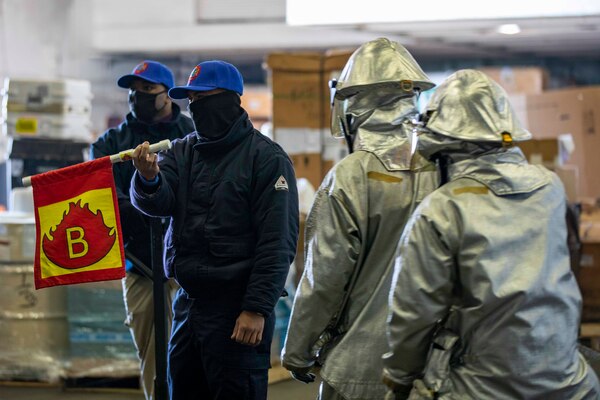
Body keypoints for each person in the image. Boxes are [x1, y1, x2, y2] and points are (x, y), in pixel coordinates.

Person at [382, 69, 600, 399]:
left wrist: (398, 376)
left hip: (481, 388)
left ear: (444, 151)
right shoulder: (550, 187)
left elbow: (414, 312)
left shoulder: (441, 209)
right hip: (568, 384)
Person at [129, 60, 299, 400]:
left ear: (230, 100)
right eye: (190, 100)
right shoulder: (183, 150)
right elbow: (159, 202)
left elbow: (277, 242)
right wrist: (148, 179)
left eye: (202, 98)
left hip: (237, 310)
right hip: (189, 307)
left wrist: (255, 308)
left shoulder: (265, 159)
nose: (195, 107)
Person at [280, 38, 438, 400]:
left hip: (360, 369)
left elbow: (325, 277)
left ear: (357, 105)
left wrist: (298, 350)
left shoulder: (351, 176)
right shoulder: (443, 168)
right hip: (433, 368)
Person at [90, 60, 194, 400]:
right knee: (150, 349)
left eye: (147, 90)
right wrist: (149, 202)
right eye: (133, 91)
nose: (138, 96)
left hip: (187, 263)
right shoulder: (111, 143)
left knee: (191, 349)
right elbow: (103, 196)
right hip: (140, 265)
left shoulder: (190, 135)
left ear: (166, 95)